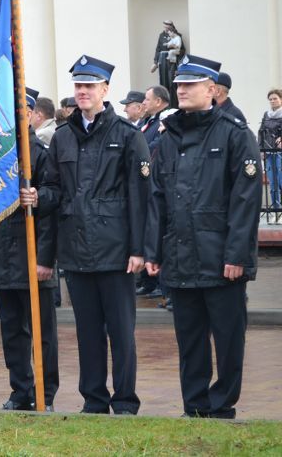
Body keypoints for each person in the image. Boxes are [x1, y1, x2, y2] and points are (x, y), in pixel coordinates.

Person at [21, 55, 150, 415]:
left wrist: (139, 249)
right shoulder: (63, 138)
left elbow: (140, 198)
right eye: (78, 86)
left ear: (105, 90)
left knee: (121, 333)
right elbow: (55, 192)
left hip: (115, 249)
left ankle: (125, 400)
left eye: (90, 86)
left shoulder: (126, 136)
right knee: (87, 332)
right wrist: (38, 197)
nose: (83, 92)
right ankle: (94, 399)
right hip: (76, 250)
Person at [144, 55, 262, 418]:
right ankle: (194, 404)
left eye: (190, 84)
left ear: (212, 90)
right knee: (190, 340)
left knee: (227, 339)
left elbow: (245, 201)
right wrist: (154, 251)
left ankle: (222, 403)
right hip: (179, 255)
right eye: (179, 84)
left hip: (220, 257)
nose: (182, 89)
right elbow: (158, 198)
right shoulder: (168, 137)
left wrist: (237, 255)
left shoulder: (234, 133)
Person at [0, 87, 59, 412]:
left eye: (19, 112)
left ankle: (44, 394)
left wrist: (46, 258)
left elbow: (54, 200)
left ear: (31, 115)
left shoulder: (40, 152)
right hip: (1, 256)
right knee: (12, 332)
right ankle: (20, 390)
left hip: (32, 256)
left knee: (42, 333)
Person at [135, 85, 174, 300]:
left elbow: (156, 145)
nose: (144, 103)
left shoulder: (167, 119)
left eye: (147, 99)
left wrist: (143, 152)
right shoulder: (148, 122)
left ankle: (162, 285)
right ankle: (152, 283)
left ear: (159, 101)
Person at [258, 89, 282, 214]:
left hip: (280, 153)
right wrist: (260, 149)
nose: (272, 101)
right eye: (270, 99)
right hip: (268, 152)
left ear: (281, 99)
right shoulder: (266, 115)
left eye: (275, 98)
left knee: (281, 181)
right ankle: (276, 210)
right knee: (272, 183)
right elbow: (261, 132)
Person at [151, 21, 185, 106]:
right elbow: (158, 49)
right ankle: (165, 105)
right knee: (163, 81)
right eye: (164, 27)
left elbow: (182, 50)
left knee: (172, 82)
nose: (166, 29)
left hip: (173, 61)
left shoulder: (178, 36)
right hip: (163, 59)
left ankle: (174, 104)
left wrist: (178, 56)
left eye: (167, 27)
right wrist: (155, 62)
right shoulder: (161, 35)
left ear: (171, 27)